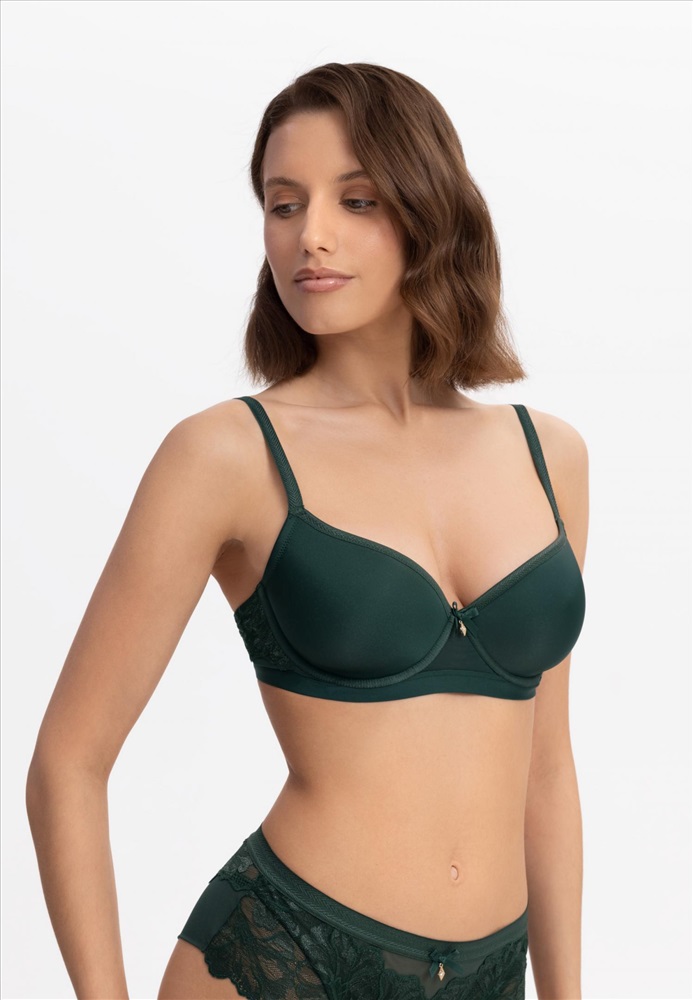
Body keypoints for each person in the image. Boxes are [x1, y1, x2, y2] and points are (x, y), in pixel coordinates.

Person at [26, 62, 588, 1000]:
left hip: (490, 971)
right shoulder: (226, 455)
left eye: (354, 200)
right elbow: (67, 764)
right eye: (283, 205)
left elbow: (547, 771)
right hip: (285, 960)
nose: (309, 235)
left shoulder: (548, 456)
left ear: (430, 210)